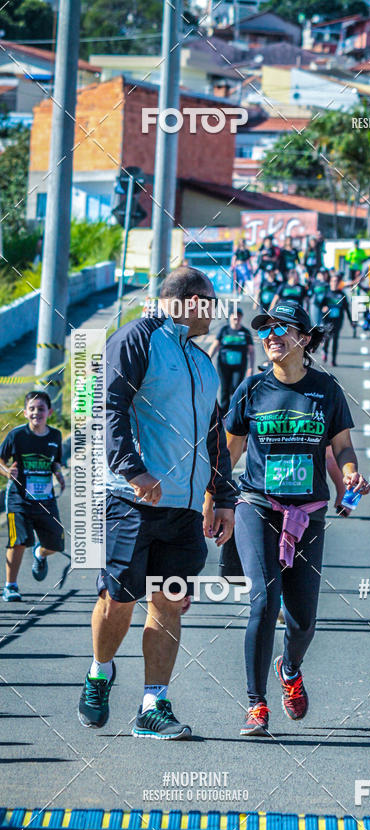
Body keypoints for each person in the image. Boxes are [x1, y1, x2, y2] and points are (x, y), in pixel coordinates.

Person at [77, 266, 236, 740]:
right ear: (189, 300)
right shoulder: (136, 339)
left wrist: (222, 496)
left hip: (184, 508)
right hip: (131, 499)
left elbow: (214, 434)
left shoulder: (202, 361)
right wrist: (132, 468)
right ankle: (100, 672)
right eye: (212, 300)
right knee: (119, 598)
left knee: (168, 600)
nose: (217, 310)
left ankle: (153, 705)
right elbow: (106, 405)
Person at [223, 302, 370, 736]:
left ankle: (289, 668)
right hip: (257, 504)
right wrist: (214, 500)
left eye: (282, 329)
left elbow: (341, 446)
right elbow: (228, 452)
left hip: (308, 512)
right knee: (264, 602)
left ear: (304, 339)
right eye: (265, 329)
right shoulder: (251, 390)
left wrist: (349, 475)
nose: (271, 336)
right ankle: (256, 704)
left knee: (304, 619)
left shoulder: (326, 390)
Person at [1, 391, 65, 602]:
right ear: (26, 412)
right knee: (17, 540)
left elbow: (55, 460)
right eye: (32, 408)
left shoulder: (55, 436)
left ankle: (40, 554)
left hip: (45, 499)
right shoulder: (17, 436)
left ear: (49, 412)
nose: (36, 412)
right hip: (18, 498)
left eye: (41, 408)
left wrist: (58, 473)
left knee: (56, 543)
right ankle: (10, 585)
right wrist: (7, 471)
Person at [208, 308, 255, 413]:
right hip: (223, 365)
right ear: (229, 317)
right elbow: (215, 346)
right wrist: (207, 359)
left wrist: (251, 368)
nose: (236, 318)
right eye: (234, 315)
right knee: (224, 389)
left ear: (241, 317)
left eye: (239, 315)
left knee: (235, 388)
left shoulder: (245, 332)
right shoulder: (224, 330)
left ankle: (234, 411)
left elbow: (251, 351)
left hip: (239, 366)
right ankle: (224, 413)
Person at [321, 272, 352, 366]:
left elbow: (346, 309)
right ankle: (325, 350)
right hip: (328, 320)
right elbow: (320, 305)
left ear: (338, 283)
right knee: (327, 337)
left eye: (336, 281)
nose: (334, 283)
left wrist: (351, 321)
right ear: (330, 282)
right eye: (333, 281)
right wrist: (324, 307)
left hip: (338, 320)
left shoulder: (342, 294)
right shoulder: (326, 293)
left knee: (335, 339)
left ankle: (333, 360)